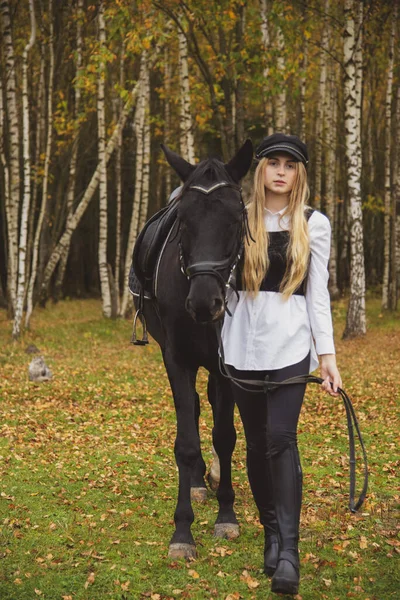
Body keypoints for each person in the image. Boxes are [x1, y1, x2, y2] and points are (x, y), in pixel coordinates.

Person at [221, 132, 342, 595]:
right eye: (273, 163)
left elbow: (318, 296)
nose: (280, 172)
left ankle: (289, 552)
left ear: (299, 174)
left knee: (280, 439)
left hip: (291, 344)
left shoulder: (314, 223)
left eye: (289, 165)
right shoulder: (240, 219)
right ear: (261, 170)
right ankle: (270, 531)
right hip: (241, 345)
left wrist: (326, 356)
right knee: (254, 445)